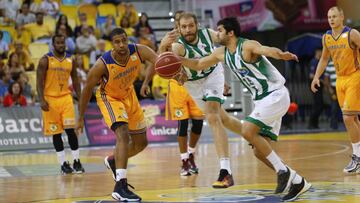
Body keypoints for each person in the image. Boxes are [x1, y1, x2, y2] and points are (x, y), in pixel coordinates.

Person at [175, 17, 311, 201]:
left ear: (230, 33)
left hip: (275, 95)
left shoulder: (247, 46)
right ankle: (296, 180)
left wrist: (281, 54)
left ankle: (282, 172)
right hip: (262, 101)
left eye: (220, 30)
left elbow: (266, 50)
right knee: (258, 151)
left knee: (247, 129)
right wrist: (178, 59)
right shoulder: (222, 52)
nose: (218, 33)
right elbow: (199, 64)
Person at [153, 12, 234, 188]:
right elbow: (163, 65)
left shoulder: (208, 34)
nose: (188, 30)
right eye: (184, 27)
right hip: (192, 85)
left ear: (197, 25)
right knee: (223, 119)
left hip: (213, 74)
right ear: (178, 28)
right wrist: (162, 47)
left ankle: (225, 170)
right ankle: (249, 132)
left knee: (212, 117)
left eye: (191, 25)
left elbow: (229, 41)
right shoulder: (177, 47)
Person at [76, 28, 157, 201]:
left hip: (129, 95)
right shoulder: (102, 64)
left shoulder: (139, 50)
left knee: (142, 143)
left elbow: (158, 62)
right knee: (123, 134)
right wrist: (80, 118)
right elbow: (86, 90)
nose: (121, 45)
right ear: (111, 44)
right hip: (110, 98)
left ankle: (114, 161)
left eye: (123, 40)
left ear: (128, 39)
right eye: (117, 42)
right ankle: (120, 186)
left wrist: (151, 80)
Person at [311, 6, 360, 173]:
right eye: (328, 17)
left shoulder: (352, 34)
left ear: (342, 17)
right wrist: (316, 77)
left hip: (355, 76)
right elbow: (324, 59)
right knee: (353, 119)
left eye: (334, 16)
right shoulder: (326, 38)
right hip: (340, 80)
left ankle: (357, 158)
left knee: (347, 118)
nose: (331, 19)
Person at [36, 34, 84, 175]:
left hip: (66, 99)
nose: (61, 45)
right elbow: (39, 82)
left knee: (71, 131)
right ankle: (63, 164)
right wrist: (41, 99)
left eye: (62, 43)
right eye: (58, 43)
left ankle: (76, 161)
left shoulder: (71, 60)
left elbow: (75, 81)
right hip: (50, 100)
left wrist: (81, 99)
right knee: (56, 133)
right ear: (53, 44)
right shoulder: (45, 60)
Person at [308, 47, 325, 129]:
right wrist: (321, 80)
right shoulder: (314, 62)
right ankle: (311, 123)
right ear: (318, 52)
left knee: (319, 105)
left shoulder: (320, 62)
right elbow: (311, 76)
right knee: (318, 105)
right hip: (315, 86)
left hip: (320, 86)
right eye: (321, 51)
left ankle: (315, 124)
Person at [324, 60, 340, 130]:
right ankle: (333, 125)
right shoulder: (330, 64)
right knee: (334, 107)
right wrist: (330, 89)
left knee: (347, 107)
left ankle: (350, 125)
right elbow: (326, 78)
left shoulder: (343, 61)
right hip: (334, 89)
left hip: (343, 87)